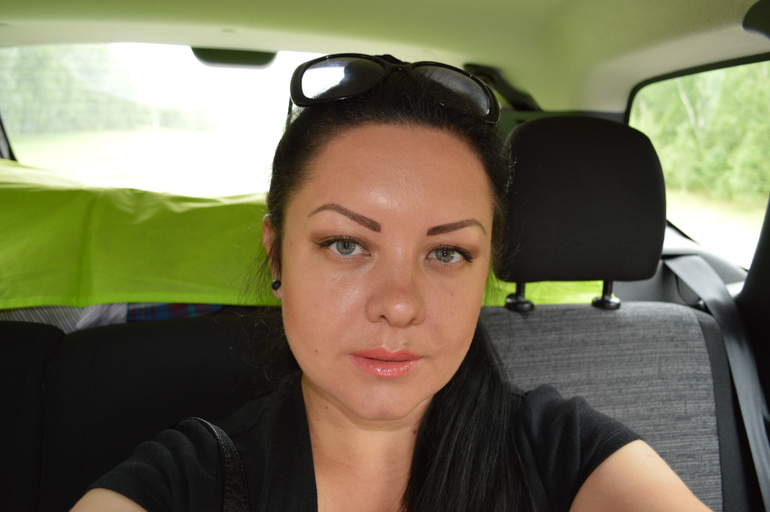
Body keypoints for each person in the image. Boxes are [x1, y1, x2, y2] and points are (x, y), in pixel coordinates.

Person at [72, 54, 713, 512]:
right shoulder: (187, 482)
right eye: (346, 244)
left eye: (448, 253)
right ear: (277, 256)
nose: (399, 304)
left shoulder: (565, 454)